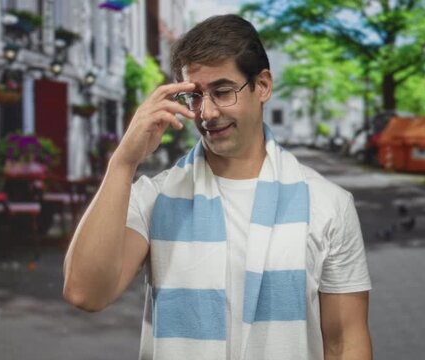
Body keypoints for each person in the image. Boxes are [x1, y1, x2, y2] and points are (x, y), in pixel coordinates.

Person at [63, 14, 372, 360]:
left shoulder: (328, 204)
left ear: (264, 86)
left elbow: (345, 343)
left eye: (223, 92)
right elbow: (84, 292)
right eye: (195, 97)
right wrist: (123, 162)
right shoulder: (155, 197)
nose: (207, 113)